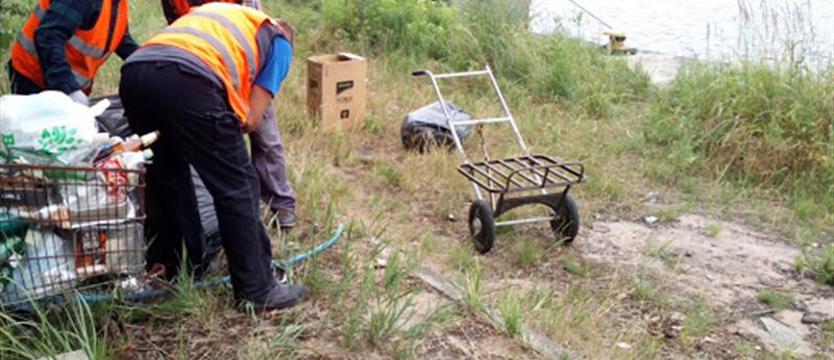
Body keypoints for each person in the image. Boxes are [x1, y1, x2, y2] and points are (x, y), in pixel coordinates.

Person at [119, 3, 304, 310]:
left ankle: (177, 266)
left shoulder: (222, 17)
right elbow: (251, 118)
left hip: (136, 73)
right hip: (186, 77)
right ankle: (257, 290)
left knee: (168, 176)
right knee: (237, 183)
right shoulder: (279, 41)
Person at [160, 0, 298, 230]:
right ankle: (216, 210)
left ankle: (280, 203)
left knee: (265, 136)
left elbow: (251, 120)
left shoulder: (275, 42)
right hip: (202, 66)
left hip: (246, 58)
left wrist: (231, 125)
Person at [8, 0, 138, 104]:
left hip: (64, 84)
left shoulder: (116, 3)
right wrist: (68, 88)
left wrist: (149, 57)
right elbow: (49, 35)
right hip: (34, 78)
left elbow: (118, 36)